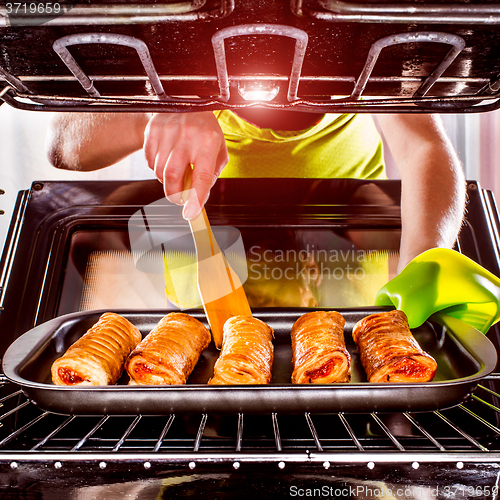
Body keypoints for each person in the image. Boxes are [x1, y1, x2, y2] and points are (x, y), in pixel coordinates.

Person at [46, 109, 466, 273]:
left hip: (345, 252)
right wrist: (161, 106)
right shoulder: (174, 29)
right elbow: (64, 145)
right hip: (207, 258)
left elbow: (424, 144)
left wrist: (426, 264)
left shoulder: (355, 26)